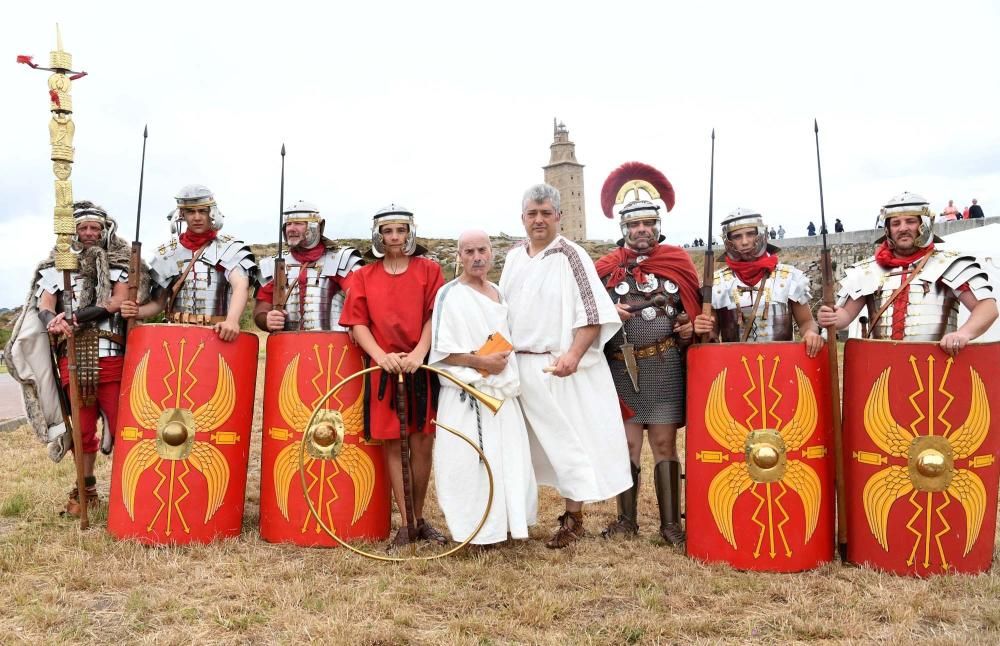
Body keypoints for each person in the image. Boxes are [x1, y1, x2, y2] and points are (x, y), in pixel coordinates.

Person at [499, 183, 632, 549]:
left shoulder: (571, 255)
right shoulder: (513, 257)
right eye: (532, 214)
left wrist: (572, 356)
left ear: (559, 216)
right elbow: (500, 313)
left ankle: (573, 518)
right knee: (519, 446)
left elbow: (593, 314)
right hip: (517, 367)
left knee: (569, 443)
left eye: (546, 213)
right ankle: (516, 519)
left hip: (558, 366)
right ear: (522, 218)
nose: (539, 220)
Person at [593, 162, 701, 546]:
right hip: (621, 366)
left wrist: (689, 328)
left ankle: (670, 525)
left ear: (657, 225)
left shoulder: (677, 263)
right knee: (627, 445)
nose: (642, 230)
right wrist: (608, 314)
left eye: (648, 224)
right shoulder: (605, 270)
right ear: (624, 229)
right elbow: (587, 317)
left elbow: (693, 312)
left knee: (664, 445)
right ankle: (626, 521)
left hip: (664, 364)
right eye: (634, 225)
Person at [340, 204, 445, 548]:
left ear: (410, 232)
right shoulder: (363, 277)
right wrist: (381, 356)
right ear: (379, 236)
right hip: (383, 368)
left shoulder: (428, 271)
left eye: (400, 230)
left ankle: (420, 518)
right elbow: (358, 322)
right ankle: (405, 522)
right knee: (393, 444)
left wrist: (418, 354)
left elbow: (434, 315)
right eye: (388, 231)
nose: (395, 237)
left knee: (421, 442)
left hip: (420, 366)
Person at [26, 202, 141, 514]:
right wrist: (55, 319)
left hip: (111, 354)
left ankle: (128, 488)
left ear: (104, 231)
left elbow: (119, 300)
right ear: (73, 232)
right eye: (84, 228)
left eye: (95, 228)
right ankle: (86, 488)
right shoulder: (55, 268)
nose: (90, 233)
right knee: (82, 428)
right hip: (73, 355)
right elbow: (45, 303)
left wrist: (78, 317)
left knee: (124, 425)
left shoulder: (119, 264)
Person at [429, 230, 537, 548]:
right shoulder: (449, 295)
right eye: (469, 251)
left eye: (482, 250)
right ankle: (473, 531)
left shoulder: (499, 294)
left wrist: (495, 367)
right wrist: (482, 362)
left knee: (509, 460)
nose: (477, 257)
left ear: (491, 254)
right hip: (466, 394)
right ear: (459, 256)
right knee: (465, 465)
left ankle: (505, 526)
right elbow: (442, 351)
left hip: (501, 394)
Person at [817, 192, 997, 354]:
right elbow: (844, 316)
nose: (902, 228)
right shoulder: (869, 270)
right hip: (883, 367)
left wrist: (962, 334)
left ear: (924, 224)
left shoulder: (947, 264)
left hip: (937, 366)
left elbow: (987, 309)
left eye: (910, 221)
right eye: (896, 223)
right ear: (887, 229)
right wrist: (830, 317)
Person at [121, 185, 255, 339]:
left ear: (211, 213)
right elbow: (158, 303)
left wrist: (232, 321)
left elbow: (240, 285)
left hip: (216, 335)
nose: (197, 217)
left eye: (202, 211)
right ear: (182, 214)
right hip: (175, 335)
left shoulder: (229, 248)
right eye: (191, 211)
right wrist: (136, 311)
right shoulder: (168, 253)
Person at [694, 208, 824, 357]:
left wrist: (810, 333)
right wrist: (703, 329)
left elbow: (806, 322)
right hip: (734, 365)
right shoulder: (716, 283)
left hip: (782, 363)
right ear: (728, 241)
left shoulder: (788, 277)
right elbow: (711, 336)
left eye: (750, 234)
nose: (745, 241)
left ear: (761, 234)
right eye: (737, 236)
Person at [254, 200, 363, 332]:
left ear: (315, 226)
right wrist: (266, 319)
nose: (291, 229)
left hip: (333, 347)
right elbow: (261, 309)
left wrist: (355, 325)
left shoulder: (340, 259)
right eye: (288, 224)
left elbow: (359, 297)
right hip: (288, 347)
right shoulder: (274, 265)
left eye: (298, 223)